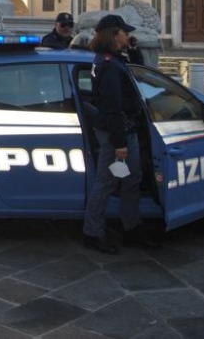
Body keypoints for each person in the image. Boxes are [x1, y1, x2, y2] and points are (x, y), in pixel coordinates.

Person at [81, 14, 159, 254]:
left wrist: (133, 50)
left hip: (125, 132)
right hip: (118, 134)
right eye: (124, 32)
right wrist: (119, 143)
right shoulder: (109, 66)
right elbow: (111, 108)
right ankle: (93, 232)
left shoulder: (112, 60)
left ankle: (131, 227)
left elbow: (136, 72)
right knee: (107, 181)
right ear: (114, 35)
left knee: (131, 180)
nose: (128, 35)